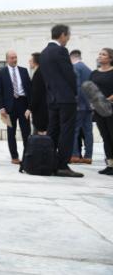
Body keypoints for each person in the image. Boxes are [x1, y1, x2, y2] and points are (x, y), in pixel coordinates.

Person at [39, 24, 83, 177]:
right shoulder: (61, 51)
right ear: (63, 35)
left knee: (53, 131)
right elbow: (69, 75)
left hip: (52, 98)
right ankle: (62, 165)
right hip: (65, 98)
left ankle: (49, 162)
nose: (68, 39)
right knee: (67, 131)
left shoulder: (43, 53)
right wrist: (74, 93)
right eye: (68, 35)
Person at [0, 50, 32, 164]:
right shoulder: (2, 72)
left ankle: (27, 156)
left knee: (26, 131)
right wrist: (1, 108)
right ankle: (14, 157)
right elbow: (0, 91)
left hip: (23, 104)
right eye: (12, 58)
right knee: (11, 133)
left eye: (15, 57)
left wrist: (29, 107)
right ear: (7, 59)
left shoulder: (24, 71)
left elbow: (29, 89)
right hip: (9, 107)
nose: (14, 60)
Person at [90, 48, 113, 175]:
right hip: (98, 109)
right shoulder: (94, 73)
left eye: (103, 54)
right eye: (99, 54)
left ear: (110, 58)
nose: (100, 56)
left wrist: (105, 100)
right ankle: (110, 164)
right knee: (105, 136)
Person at [69, 50, 93, 164]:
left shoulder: (75, 68)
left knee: (75, 131)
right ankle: (88, 156)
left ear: (71, 57)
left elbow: (77, 86)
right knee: (88, 131)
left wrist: (76, 102)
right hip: (88, 106)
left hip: (79, 106)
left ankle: (75, 155)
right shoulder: (89, 70)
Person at [29, 52, 48, 134]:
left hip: (40, 112)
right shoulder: (42, 72)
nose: (29, 62)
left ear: (35, 61)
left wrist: (30, 108)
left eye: (30, 60)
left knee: (39, 136)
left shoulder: (38, 74)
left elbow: (36, 94)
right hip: (43, 110)